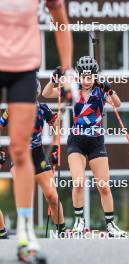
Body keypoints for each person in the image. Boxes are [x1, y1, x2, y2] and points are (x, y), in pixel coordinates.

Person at [0, 0, 73, 262]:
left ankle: (24, 233)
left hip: (23, 68)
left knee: (20, 150)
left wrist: (67, 72)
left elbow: (59, 17)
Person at [42, 56, 127, 238]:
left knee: (104, 186)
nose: (87, 81)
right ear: (79, 76)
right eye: (84, 77)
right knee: (78, 182)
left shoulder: (101, 90)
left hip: (96, 142)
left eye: (90, 77)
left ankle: (111, 224)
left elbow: (118, 104)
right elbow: (46, 93)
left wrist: (109, 90)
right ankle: (79, 221)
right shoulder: (71, 89)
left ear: (95, 76)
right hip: (76, 142)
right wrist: (54, 79)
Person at [0, 80, 66, 235]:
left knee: (52, 196)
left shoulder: (43, 109)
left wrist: (55, 145)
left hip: (38, 155)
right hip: (20, 155)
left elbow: (56, 123)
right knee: (24, 195)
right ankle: (25, 230)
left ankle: (62, 231)